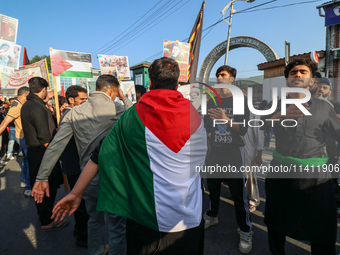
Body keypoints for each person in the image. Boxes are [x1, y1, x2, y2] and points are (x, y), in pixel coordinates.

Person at [50, 57, 207, 255]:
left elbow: (99, 155)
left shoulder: (131, 117)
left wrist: (75, 193)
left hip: (143, 216)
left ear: (150, 82)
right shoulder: (196, 117)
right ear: (177, 84)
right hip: (187, 218)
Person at [31, 74, 133, 255]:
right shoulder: (117, 108)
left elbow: (56, 146)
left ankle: (96, 250)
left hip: (86, 179)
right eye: (116, 93)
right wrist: (124, 98)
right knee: (117, 226)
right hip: (114, 178)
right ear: (112, 91)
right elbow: (136, 113)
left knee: (94, 219)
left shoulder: (74, 112)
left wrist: (42, 176)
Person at [263, 58, 340, 255]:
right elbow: (258, 125)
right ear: (287, 81)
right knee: (276, 224)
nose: (298, 75)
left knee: (322, 230)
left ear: (312, 81)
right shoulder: (275, 105)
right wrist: (281, 115)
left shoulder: (325, 108)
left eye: (303, 72)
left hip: (316, 179)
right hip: (281, 175)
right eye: (293, 73)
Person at [203, 65, 253, 254]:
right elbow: (208, 126)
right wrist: (210, 134)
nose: (219, 78)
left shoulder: (241, 101)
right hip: (215, 152)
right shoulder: (211, 101)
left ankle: (245, 229)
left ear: (232, 79)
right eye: (217, 75)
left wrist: (226, 119)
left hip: (233, 152)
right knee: (212, 188)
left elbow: (243, 130)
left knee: (238, 194)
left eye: (223, 75)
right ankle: (212, 215)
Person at [21, 77, 67, 230]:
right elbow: (45, 138)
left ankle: (43, 214)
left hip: (35, 152)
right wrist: (58, 154)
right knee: (47, 186)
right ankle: (47, 221)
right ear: (43, 90)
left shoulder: (29, 104)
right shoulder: (37, 108)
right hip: (43, 153)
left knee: (40, 185)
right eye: (46, 90)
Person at [60, 85, 89, 248]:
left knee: (81, 202)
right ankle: (83, 237)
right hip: (75, 166)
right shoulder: (71, 117)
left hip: (76, 165)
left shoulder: (73, 114)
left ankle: (80, 230)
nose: (85, 102)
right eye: (82, 99)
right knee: (81, 203)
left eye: (86, 99)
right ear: (71, 100)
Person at [0, 87, 31, 195]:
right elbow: (4, 123)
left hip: (24, 136)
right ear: (26, 95)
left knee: (26, 161)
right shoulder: (16, 106)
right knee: (29, 162)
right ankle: (29, 187)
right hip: (23, 137)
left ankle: (24, 181)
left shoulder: (20, 104)